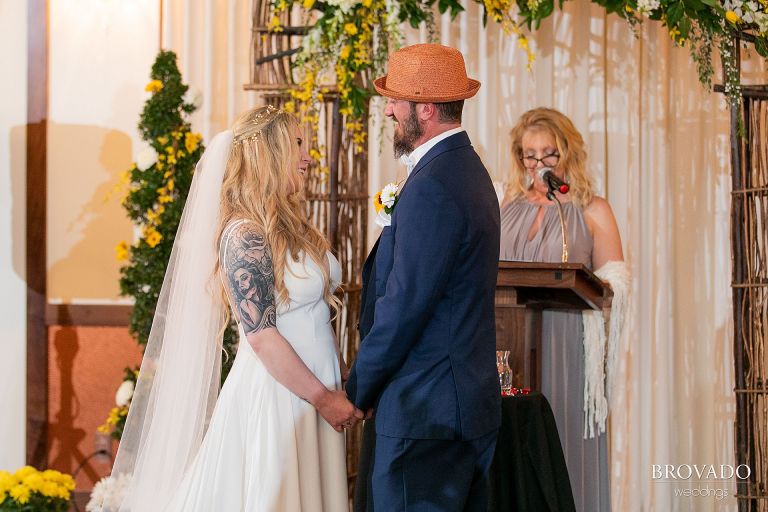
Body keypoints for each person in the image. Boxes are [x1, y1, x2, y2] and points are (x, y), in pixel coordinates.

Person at [103, 105, 363, 512]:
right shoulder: (244, 234)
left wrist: (341, 378)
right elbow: (262, 337)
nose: (308, 157)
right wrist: (322, 397)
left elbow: (312, 316)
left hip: (317, 391)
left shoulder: (293, 225)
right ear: (268, 153)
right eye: (298, 145)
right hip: (280, 395)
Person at [346, 43, 502, 511]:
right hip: (456, 405)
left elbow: (404, 305)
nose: (389, 109)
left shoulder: (434, 184)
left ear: (427, 110)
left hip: (426, 412)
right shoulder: (464, 170)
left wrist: (358, 390)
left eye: (396, 101)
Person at [499, 107, 627, 511]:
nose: (538, 164)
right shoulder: (504, 202)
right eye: (529, 154)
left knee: (565, 446)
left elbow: (615, 286)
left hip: (568, 342)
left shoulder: (592, 209)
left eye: (548, 154)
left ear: (567, 153)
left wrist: (603, 288)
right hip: (505, 344)